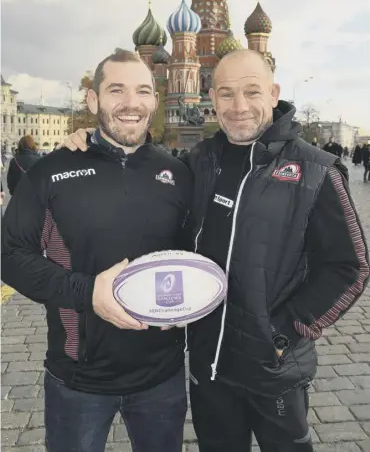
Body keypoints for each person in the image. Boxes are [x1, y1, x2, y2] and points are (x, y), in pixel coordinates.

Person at [61, 49, 369, 452]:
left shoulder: (315, 170)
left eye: (252, 91)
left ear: (273, 93)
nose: (239, 107)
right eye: (226, 94)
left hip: (273, 370)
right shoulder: (201, 161)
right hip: (209, 367)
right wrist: (92, 141)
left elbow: (351, 267)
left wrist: (286, 330)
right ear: (212, 98)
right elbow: (152, 190)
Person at [1, 49, 192, 452]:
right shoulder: (51, 172)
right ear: (93, 100)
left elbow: (196, 254)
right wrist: (86, 292)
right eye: (116, 90)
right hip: (78, 382)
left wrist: (189, 303)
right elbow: (10, 255)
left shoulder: (177, 173)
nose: (130, 103)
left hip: (163, 377)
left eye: (142, 91)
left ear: (154, 101)